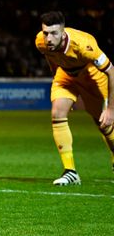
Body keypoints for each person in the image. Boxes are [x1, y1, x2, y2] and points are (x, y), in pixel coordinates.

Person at [35, 11, 114, 186]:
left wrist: (110, 110)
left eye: (54, 33)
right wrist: (56, 76)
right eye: (46, 33)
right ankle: (70, 171)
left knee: (105, 125)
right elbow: (51, 57)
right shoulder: (40, 41)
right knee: (57, 113)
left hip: (91, 76)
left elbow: (111, 71)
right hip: (65, 75)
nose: (48, 38)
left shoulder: (84, 45)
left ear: (63, 33)